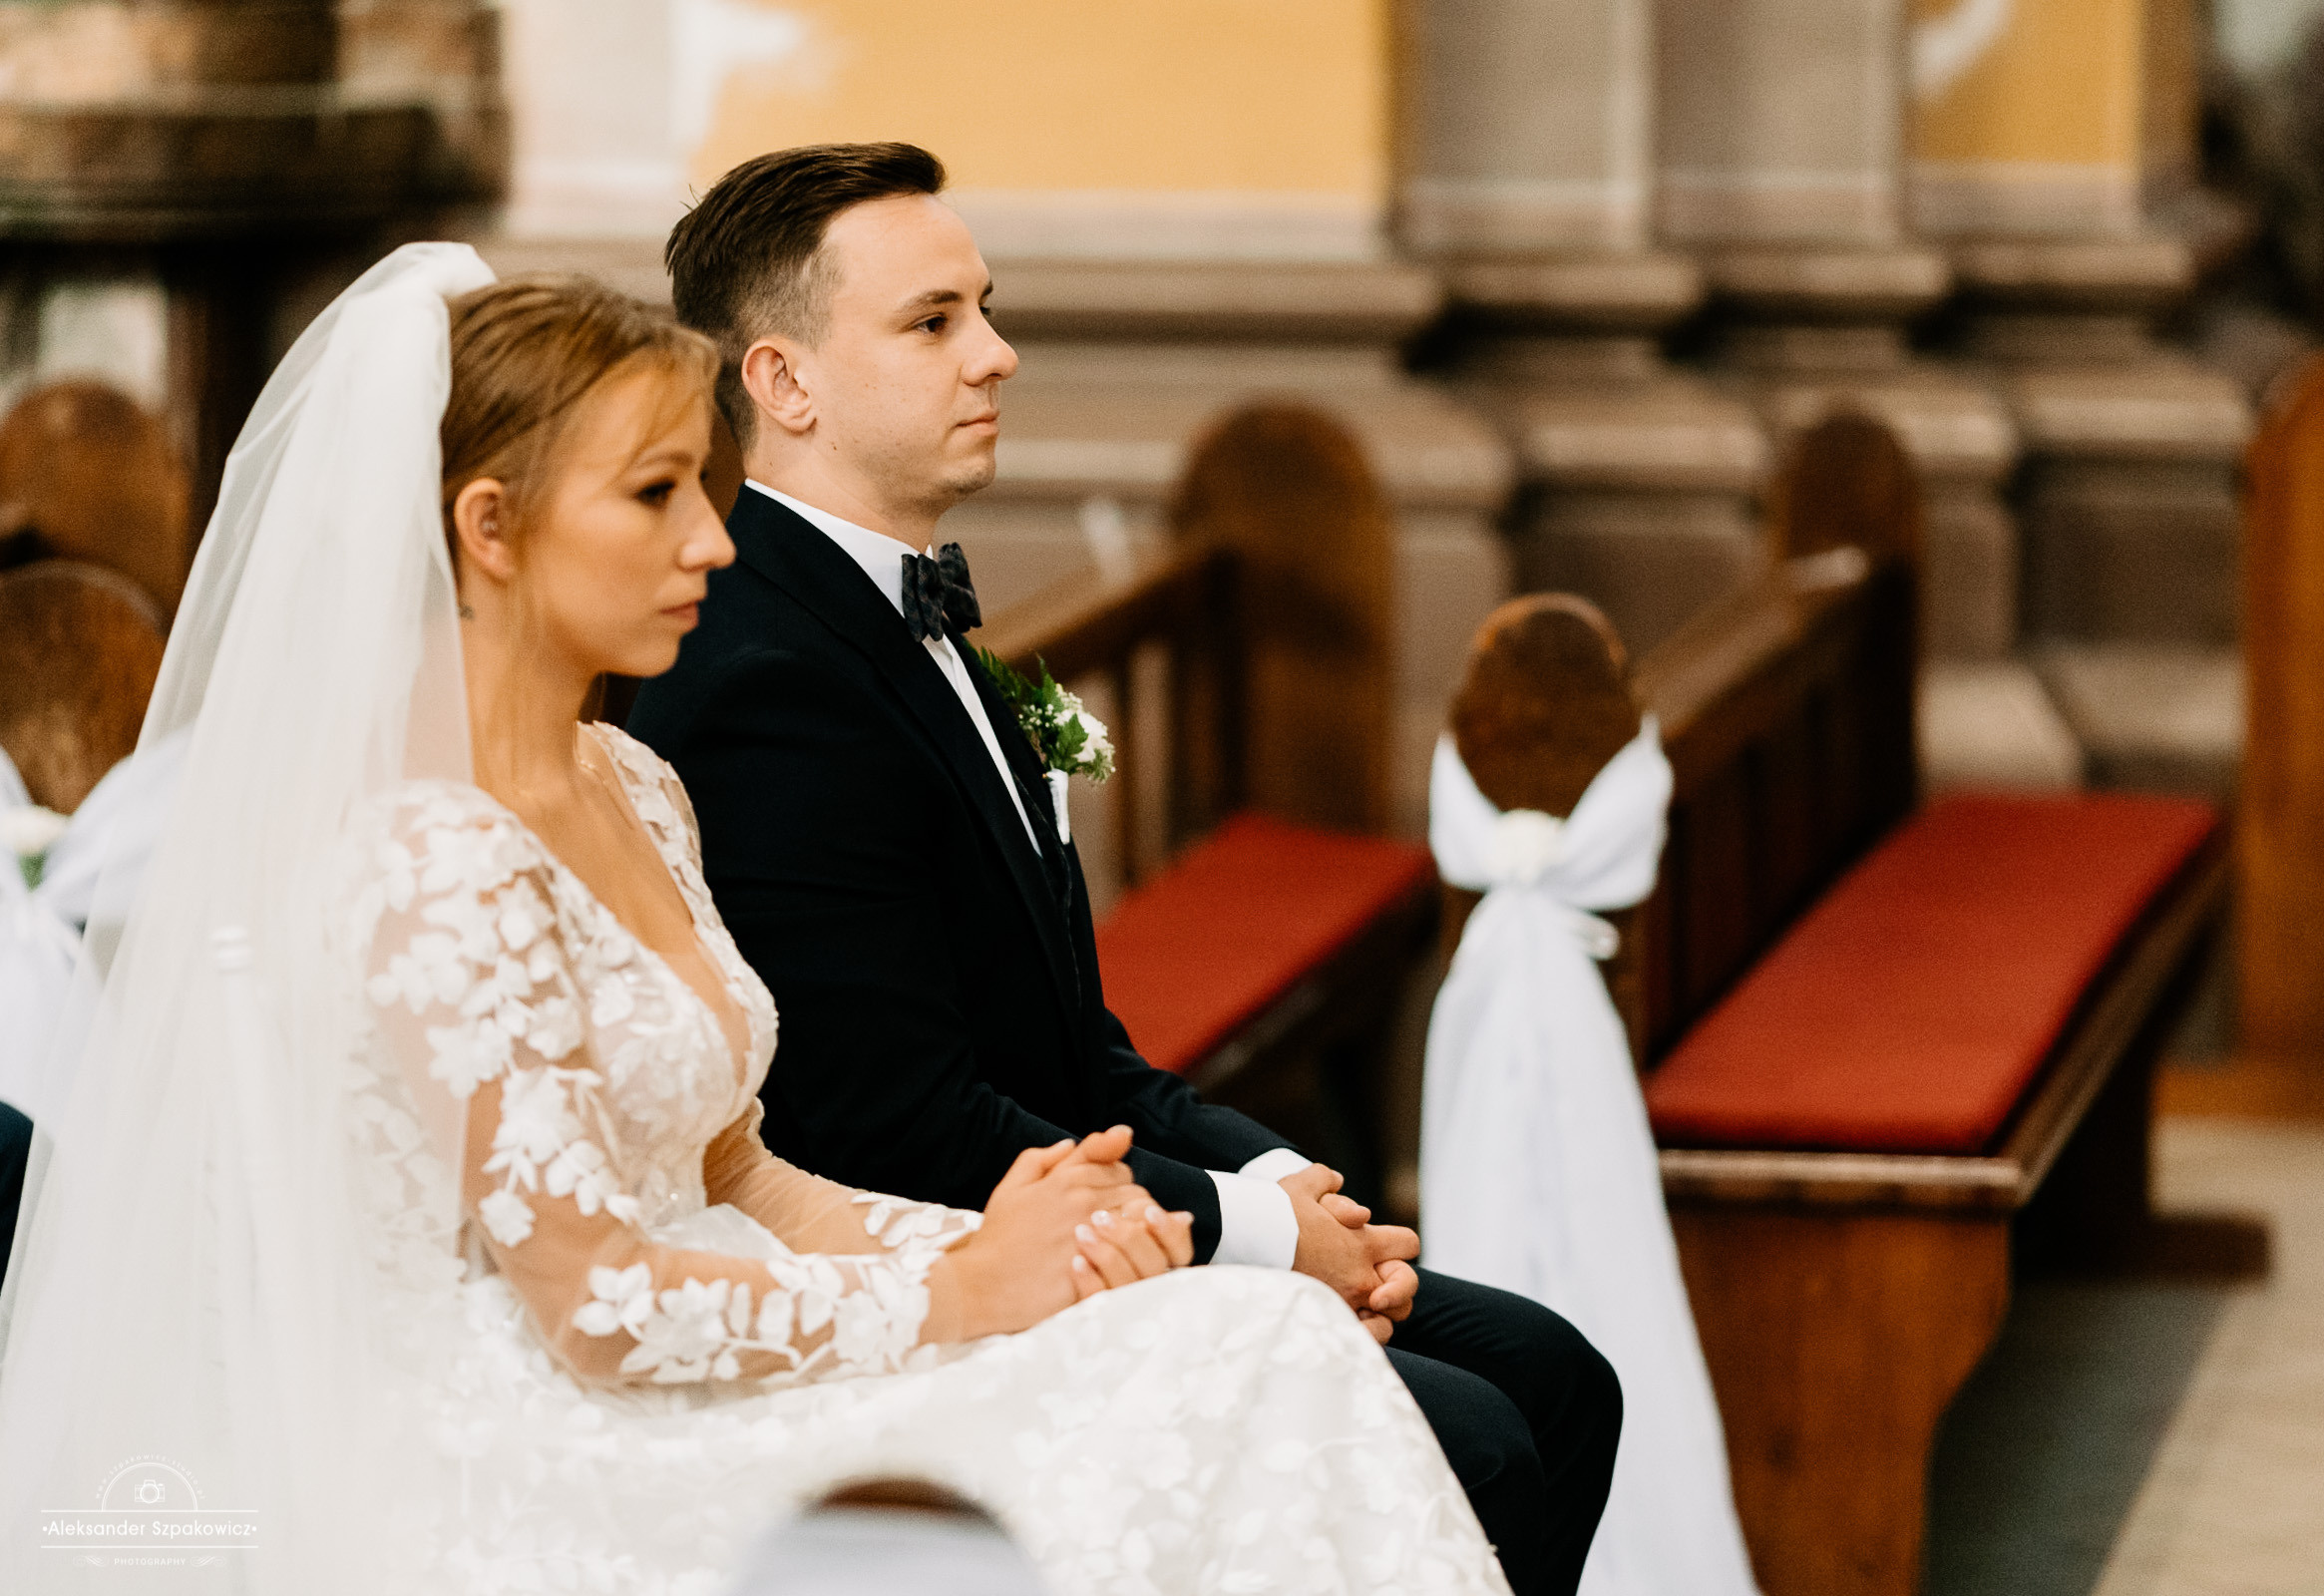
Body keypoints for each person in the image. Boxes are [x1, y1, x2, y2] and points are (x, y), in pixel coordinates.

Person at [0, 246, 1509, 1596]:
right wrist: (960, 1290)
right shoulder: (424, 855)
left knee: (1255, 1338)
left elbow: (741, 1173)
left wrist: (1054, 1240)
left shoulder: (639, 784)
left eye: (706, 493)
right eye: (654, 495)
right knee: (1233, 1384)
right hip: (534, 1434)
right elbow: (591, 1300)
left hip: (712, 1339)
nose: (715, 545)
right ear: (491, 527)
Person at [629, 142, 1622, 1596]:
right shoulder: (761, 671)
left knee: (1555, 1374)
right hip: (929, 1254)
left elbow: (1070, 1042)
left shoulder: (923, 628)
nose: (997, 354)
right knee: (1475, 1436)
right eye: (934, 323)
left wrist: (1290, 1182)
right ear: (785, 384)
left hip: (1068, 1189)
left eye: (984, 308)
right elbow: (887, 1124)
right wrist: (1262, 1241)